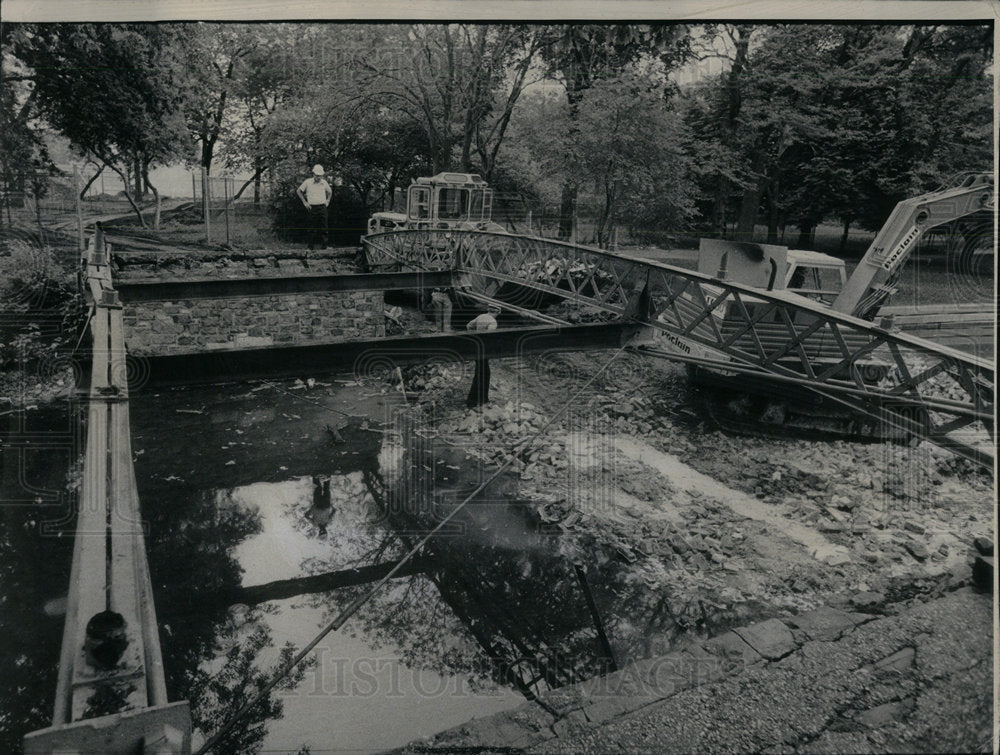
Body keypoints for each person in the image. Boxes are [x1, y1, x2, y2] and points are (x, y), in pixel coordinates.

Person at [465, 303, 500, 408]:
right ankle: (478, 400)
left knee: (480, 372)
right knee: (484, 374)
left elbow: (468, 326)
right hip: (483, 350)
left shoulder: (481, 316)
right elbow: (488, 336)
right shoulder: (493, 322)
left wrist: (473, 338)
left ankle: (475, 400)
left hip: (476, 348)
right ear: (498, 312)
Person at [297, 164, 332, 250]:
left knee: (324, 227)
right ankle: (310, 247)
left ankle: (325, 246)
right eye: (317, 175)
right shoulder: (308, 182)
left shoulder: (324, 183)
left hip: (322, 207)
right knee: (311, 228)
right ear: (313, 174)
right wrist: (305, 202)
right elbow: (298, 191)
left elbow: (330, 192)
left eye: (320, 176)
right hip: (312, 208)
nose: (318, 177)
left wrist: (328, 201)